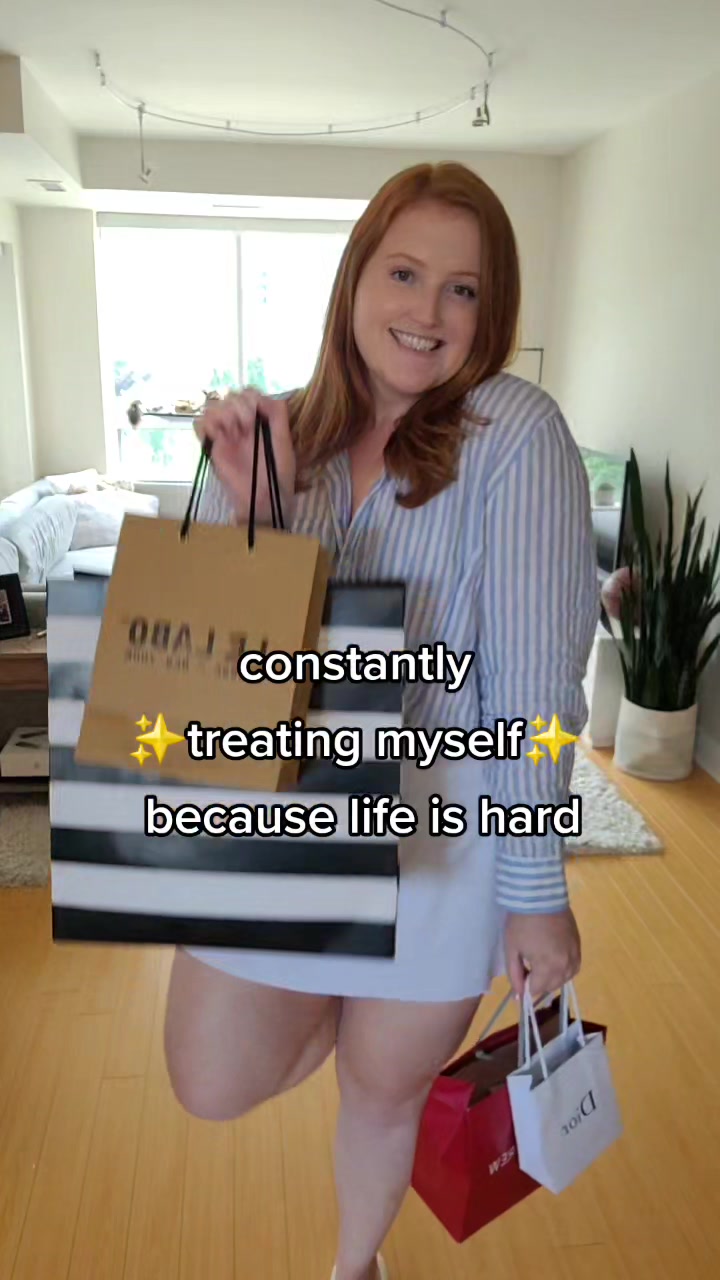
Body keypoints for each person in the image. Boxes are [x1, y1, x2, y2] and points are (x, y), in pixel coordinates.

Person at [163, 161, 600, 1280]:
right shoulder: (282, 436)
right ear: (355, 278)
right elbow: (229, 670)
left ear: (492, 311)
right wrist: (256, 514)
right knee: (209, 1076)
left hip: (447, 838)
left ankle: (354, 1266)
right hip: (292, 816)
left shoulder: (514, 430)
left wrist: (536, 892)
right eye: (404, 273)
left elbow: (538, 687)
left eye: (464, 289)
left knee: (384, 1090)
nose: (428, 310)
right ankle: (342, 998)